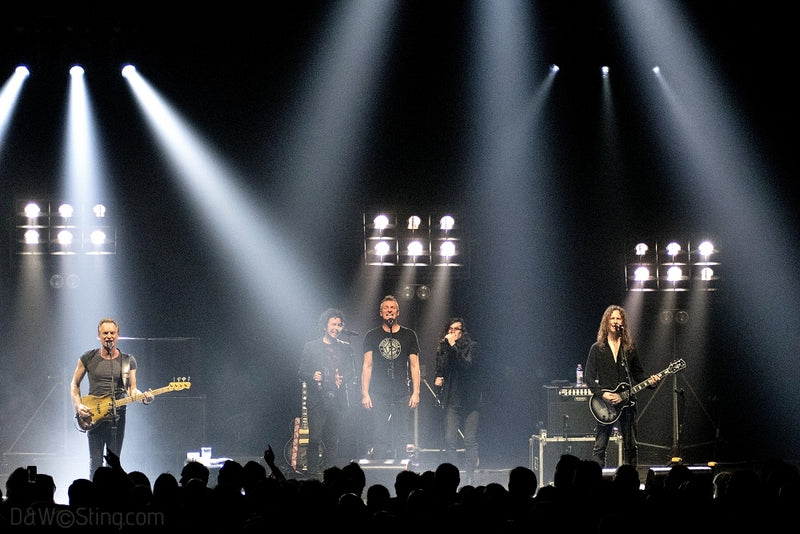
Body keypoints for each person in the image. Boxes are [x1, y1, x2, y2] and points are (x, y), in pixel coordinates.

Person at [70, 318, 154, 478]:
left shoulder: (128, 360)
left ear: (117, 335)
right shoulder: (88, 357)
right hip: (94, 415)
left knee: (114, 463)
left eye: (112, 333)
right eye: (105, 333)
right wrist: (78, 405)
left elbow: (132, 389)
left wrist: (143, 397)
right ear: (99, 335)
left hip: (118, 417)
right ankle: (94, 498)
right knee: (95, 462)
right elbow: (74, 384)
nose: (109, 336)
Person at [584, 305, 660, 468]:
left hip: (627, 403)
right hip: (606, 405)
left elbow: (638, 375)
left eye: (618, 318)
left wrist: (651, 382)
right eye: (612, 318)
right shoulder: (597, 348)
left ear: (623, 322)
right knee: (600, 447)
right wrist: (602, 394)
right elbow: (588, 378)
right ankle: (596, 481)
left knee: (631, 446)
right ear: (606, 322)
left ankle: (629, 482)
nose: (615, 321)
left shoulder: (629, 348)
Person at [298, 308, 359, 475]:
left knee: (332, 439)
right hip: (317, 399)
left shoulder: (346, 348)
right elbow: (301, 373)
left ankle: (329, 474)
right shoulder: (311, 347)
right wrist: (313, 375)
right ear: (325, 326)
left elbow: (352, 371)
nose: (337, 328)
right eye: (334, 324)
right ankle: (311, 474)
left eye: (340, 325)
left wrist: (342, 379)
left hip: (337, 399)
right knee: (314, 439)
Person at [361, 295, 421, 460]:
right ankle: (380, 467)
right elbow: (367, 365)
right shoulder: (371, 335)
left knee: (402, 430)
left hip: (402, 390)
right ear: (381, 313)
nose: (389, 311)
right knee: (379, 430)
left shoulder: (409, 335)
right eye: (386, 308)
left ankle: (402, 468)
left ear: (398, 312)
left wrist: (416, 392)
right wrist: (365, 393)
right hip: (379, 391)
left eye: (392, 308)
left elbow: (414, 365)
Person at [434, 317, 482, 485]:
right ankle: (451, 478)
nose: (453, 332)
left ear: (463, 332)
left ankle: (470, 478)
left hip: (470, 402)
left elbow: (466, 366)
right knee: (450, 440)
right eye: (450, 330)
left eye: (456, 329)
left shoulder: (472, 347)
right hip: (452, 400)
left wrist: (453, 346)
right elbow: (441, 370)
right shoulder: (444, 349)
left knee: (469, 440)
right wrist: (438, 376)